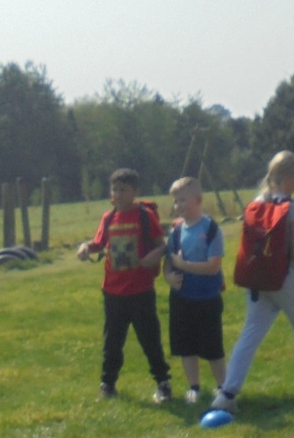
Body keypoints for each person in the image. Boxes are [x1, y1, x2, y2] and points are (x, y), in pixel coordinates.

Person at [210, 151, 294, 411]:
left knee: (250, 335)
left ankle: (226, 394)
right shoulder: (293, 209)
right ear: (290, 178)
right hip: (284, 280)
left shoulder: (256, 203)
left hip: (256, 279)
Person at [76, 167, 173, 403]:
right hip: (113, 291)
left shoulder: (144, 217)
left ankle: (163, 383)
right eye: (115, 189)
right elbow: (99, 243)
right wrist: (86, 247)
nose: (118, 194)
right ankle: (107, 385)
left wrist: (155, 255)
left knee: (149, 339)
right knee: (112, 341)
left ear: (135, 191)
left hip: (141, 291)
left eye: (123, 189)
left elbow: (161, 244)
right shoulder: (108, 218)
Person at [162, 176, 227, 404]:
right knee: (186, 346)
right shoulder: (176, 231)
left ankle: (223, 388)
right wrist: (169, 276)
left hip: (207, 298)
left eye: (183, 200)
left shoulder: (211, 229)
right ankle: (194, 387)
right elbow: (169, 261)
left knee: (212, 347)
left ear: (198, 200)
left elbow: (213, 267)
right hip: (182, 298)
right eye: (175, 201)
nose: (178, 205)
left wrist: (184, 266)